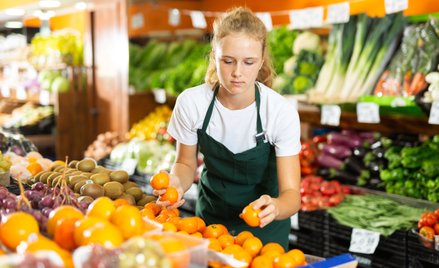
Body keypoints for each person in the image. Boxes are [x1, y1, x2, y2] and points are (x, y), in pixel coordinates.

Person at [157, 7, 301, 249]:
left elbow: (292, 195)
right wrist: (176, 185)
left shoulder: (279, 111)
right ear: (214, 55)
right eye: (228, 61)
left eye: (249, 62)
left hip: (264, 233)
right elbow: (184, 163)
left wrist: (275, 207)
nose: (237, 73)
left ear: (262, 59)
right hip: (211, 222)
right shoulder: (192, 103)